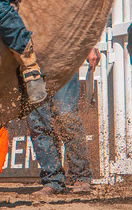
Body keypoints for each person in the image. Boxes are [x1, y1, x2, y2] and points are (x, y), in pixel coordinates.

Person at [28, 49, 100, 201]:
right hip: (31, 62)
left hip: (62, 57)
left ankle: (80, 176)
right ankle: (52, 180)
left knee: (66, 116)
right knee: (38, 122)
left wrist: (90, 46)